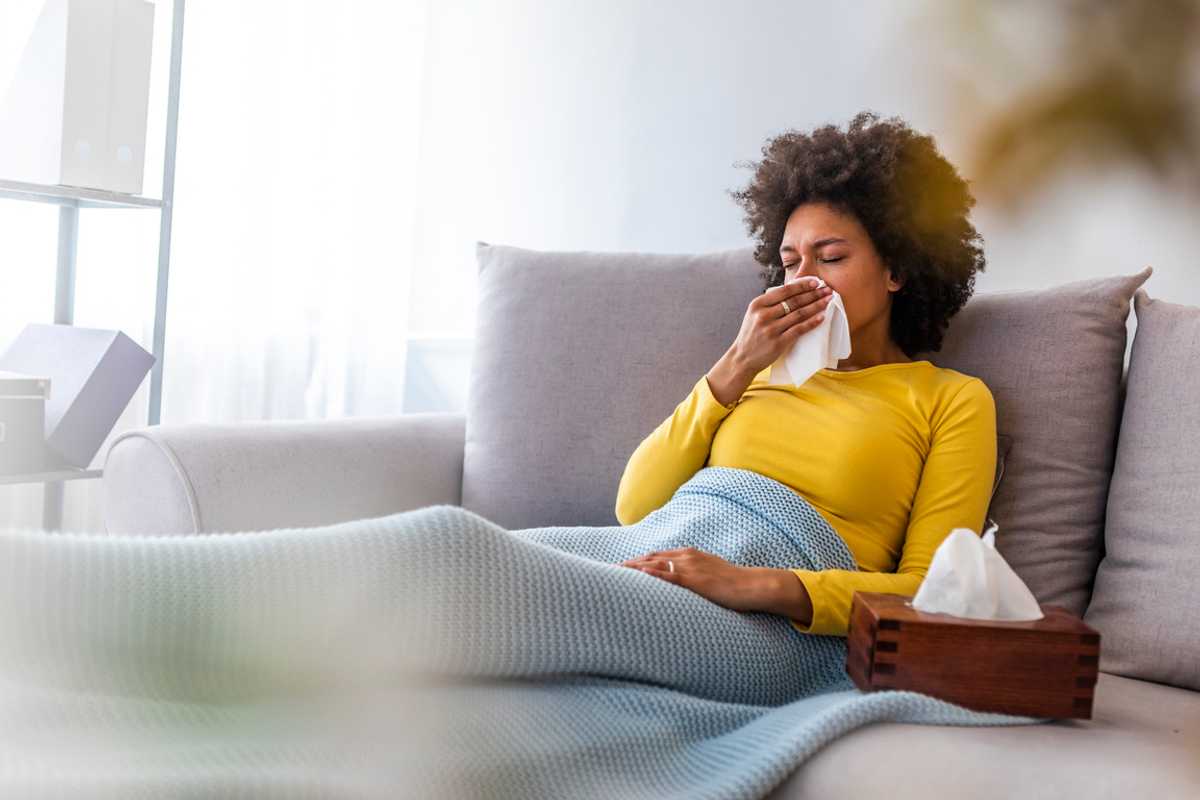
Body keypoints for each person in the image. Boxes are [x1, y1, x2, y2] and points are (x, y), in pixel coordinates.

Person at [614, 111, 997, 638]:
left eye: (831, 257)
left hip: (765, 624)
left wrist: (753, 585)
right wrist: (738, 361)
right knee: (486, 554)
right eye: (791, 262)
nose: (804, 280)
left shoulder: (951, 400)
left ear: (897, 269)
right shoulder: (753, 370)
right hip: (651, 563)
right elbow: (634, 509)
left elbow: (933, 592)